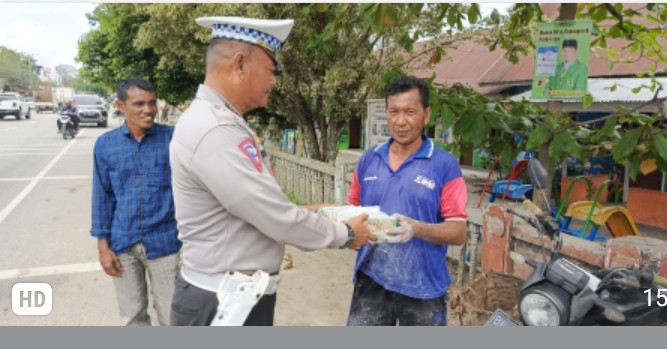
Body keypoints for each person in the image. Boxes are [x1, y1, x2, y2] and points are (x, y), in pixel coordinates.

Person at [169, 16, 375, 327]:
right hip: (223, 304)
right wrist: (345, 234)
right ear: (240, 64)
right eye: (270, 70)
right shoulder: (216, 129)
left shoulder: (220, 121)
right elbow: (275, 218)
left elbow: (250, 209)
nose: (274, 81)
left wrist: (308, 212)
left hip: (231, 295)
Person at [345, 76, 469, 326]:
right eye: (394, 112)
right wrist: (348, 232)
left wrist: (416, 229)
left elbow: (458, 232)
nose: (401, 121)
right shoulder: (369, 159)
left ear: (427, 114)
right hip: (372, 279)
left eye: (410, 112)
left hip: (424, 288)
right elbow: (353, 210)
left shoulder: (445, 166)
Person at [90, 77, 181, 326]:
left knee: (173, 318)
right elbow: (102, 197)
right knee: (132, 318)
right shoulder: (106, 145)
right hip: (123, 244)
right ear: (120, 106)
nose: (148, 110)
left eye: (152, 103)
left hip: (165, 243)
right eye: (139, 103)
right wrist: (103, 247)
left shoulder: (173, 140)